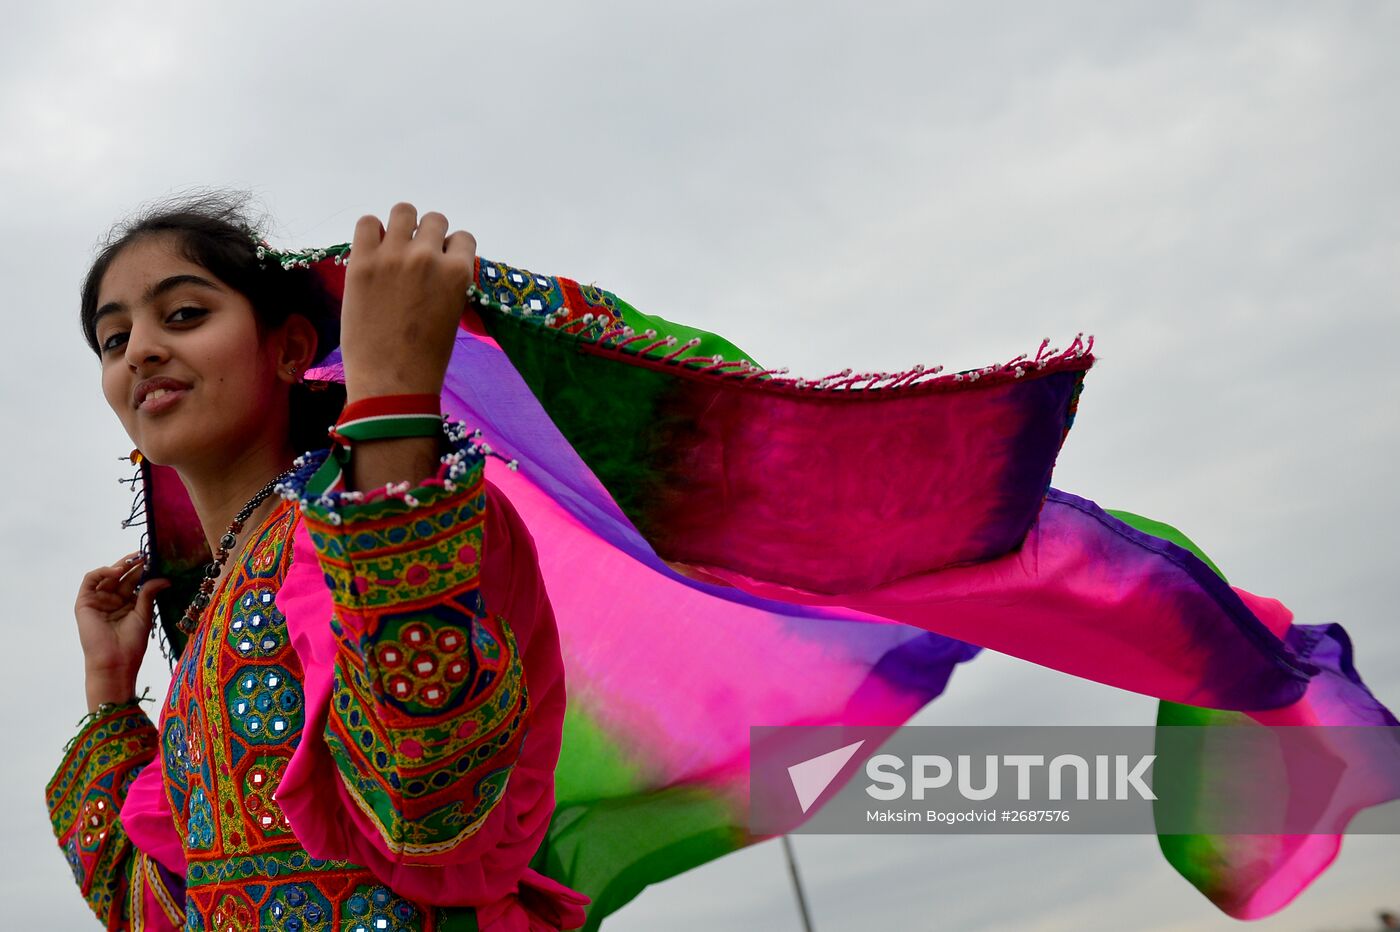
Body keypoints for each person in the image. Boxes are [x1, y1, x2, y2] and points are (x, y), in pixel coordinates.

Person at [50, 195, 589, 930]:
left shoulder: (385, 517)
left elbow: (427, 806)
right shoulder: (216, 610)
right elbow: (152, 908)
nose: (139, 349)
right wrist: (110, 690)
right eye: (114, 340)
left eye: (182, 315)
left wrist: (394, 400)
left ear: (291, 350)